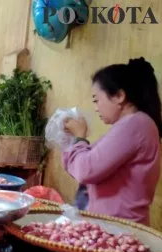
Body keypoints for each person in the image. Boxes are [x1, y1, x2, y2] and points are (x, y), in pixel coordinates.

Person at [62, 57, 162, 225]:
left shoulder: (135, 124)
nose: (96, 107)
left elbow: (86, 169)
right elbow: (85, 165)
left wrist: (79, 137)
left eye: (96, 99)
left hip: (120, 230)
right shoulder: (132, 125)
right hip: (114, 226)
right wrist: (75, 140)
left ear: (119, 96)